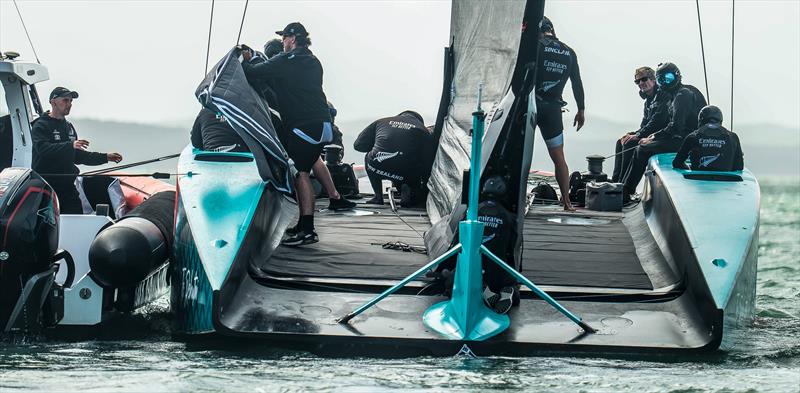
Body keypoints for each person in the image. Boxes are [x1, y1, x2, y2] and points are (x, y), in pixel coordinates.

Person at [241, 22, 353, 246]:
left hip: (305, 127)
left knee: (300, 173)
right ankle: (304, 223)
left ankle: (308, 230)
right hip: (321, 124)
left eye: (284, 38)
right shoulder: (312, 60)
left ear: (293, 38)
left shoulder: (286, 61)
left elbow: (253, 74)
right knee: (308, 164)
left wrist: (246, 57)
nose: (282, 43)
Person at [31, 87, 123, 214]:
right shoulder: (40, 125)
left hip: (67, 188)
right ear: (53, 102)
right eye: (65, 100)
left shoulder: (68, 127)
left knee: (76, 216)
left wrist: (105, 157)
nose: (69, 104)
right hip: (46, 187)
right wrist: (70, 145)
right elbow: (42, 149)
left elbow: (78, 156)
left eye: (71, 101)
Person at [622, 62, 707, 197]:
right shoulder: (676, 95)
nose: (665, 82)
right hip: (686, 138)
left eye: (668, 78)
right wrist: (652, 136)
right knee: (642, 145)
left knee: (642, 149)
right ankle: (623, 187)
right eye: (661, 79)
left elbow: (676, 127)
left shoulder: (682, 95)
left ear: (677, 76)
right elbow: (674, 126)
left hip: (688, 141)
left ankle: (626, 192)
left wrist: (653, 137)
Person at [534, 17, 585, 211]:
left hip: (532, 105)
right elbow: (577, 83)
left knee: (521, 154)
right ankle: (567, 202)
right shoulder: (569, 52)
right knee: (559, 158)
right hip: (553, 109)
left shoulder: (536, 46)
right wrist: (581, 109)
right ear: (552, 30)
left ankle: (517, 198)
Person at [353, 111, 434, 206]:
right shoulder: (422, 129)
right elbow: (428, 160)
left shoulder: (382, 121)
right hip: (405, 173)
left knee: (370, 156)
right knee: (411, 164)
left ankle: (378, 197)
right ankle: (406, 188)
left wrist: (377, 145)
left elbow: (358, 145)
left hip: (376, 166)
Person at [611, 66, 671, 182]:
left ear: (653, 80)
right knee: (621, 141)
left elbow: (657, 121)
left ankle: (623, 185)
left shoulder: (663, 96)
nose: (640, 83)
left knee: (629, 143)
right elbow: (645, 124)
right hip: (650, 133)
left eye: (644, 79)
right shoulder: (648, 101)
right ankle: (615, 181)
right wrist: (635, 133)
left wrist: (637, 136)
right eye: (637, 81)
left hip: (662, 135)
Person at [477, 176, 520, 314]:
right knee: (510, 278)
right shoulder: (509, 217)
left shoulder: (471, 213)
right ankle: (509, 290)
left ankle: (480, 288)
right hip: (498, 269)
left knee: (451, 277)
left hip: (476, 267)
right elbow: (512, 247)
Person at [673, 105, 744, 171]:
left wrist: (689, 168)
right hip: (726, 181)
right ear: (720, 120)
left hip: (697, 180)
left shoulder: (692, 136)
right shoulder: (733, 137)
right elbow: (739, 167)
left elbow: (677, 163)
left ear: (700, 120)